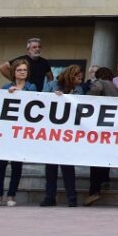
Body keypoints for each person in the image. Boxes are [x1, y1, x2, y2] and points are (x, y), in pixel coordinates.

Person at [0, 58, 37, 207]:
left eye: (24, 70)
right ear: (14, 72)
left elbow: (35, 103)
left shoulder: (32, 87)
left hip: (21, 132)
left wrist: (21, 93)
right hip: (6, 131)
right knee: (1, 165)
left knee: (17, 165)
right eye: (19, 70)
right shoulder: (6, 86)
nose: (22, 72)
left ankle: (11, 195)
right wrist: (8, 93)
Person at [40, 65, 83, 207]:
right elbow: (42, 101)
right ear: (71, 75)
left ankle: (72, 197)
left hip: (68, 133)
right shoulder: (52, 85)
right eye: (78, 76)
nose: (80, 79)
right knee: (50, 167)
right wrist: (53, 97)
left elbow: (82, 107)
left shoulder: (79, 90)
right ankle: (49, 197)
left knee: (67, 167)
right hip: (52, 132)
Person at [84, 66, 118, 206]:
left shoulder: (99, 84)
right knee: (105, 156)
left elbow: (90, 98)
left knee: (95, 160)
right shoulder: (115, 88)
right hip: (111, 128)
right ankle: (105, 180)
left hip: (99, 127)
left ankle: (94, 191)